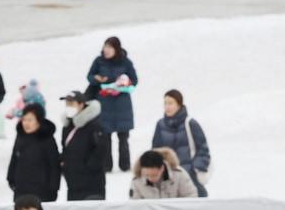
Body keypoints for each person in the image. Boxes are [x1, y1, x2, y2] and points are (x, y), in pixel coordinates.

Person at [86, 36, 138, 173]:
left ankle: (125, 165)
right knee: (105, 137)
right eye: (105, 47)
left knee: (123, 138)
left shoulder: (126, 62)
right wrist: (97, 79)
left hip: (122, 105)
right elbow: (90, 76)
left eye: (110, 47)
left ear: (117, 49)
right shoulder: (99, 61)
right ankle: (106, 166)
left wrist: (124, 83)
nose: (106, 50)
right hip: (104, 103)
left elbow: (134, 80)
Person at [150, 89, 210, 197]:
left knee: (198, 204)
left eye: (170, 103)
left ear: (179, 104)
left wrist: (195, 169)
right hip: (167, 177)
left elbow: (203, 149)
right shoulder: (160, 125)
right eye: (165, 103)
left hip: (189, 174)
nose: (167, 107)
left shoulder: (190, 123)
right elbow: (155, 151)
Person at [8, 103, 61, 202]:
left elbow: (54, 165)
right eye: (24, 119)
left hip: (42, 191)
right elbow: (14, 159)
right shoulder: (20, 136)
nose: (26, 123)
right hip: (21, 190)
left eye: (30, 120)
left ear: (39, 121)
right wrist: (11, 178)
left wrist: (53, 189)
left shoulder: (47, 138)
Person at [59, 90, 106, 201]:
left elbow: (101, 150)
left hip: (92, 183)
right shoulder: (68, 125)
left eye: (71, 104)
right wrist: (64, 163)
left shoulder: (95, 125)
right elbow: (65, 148)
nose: (68, 107)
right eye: (67, 104)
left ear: (81, 104)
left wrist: (88, 167)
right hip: (73, 182)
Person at [129, 149, 198, 200]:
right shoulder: (136, 181)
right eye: (147, 175)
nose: (150, 178)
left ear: (162, 168)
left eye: (154, 175)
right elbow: (135, 206)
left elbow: (191, 196)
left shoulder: (179, 175)